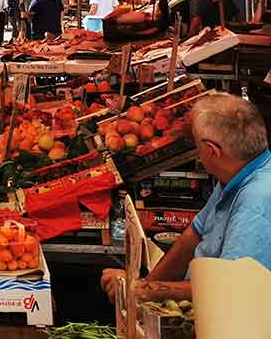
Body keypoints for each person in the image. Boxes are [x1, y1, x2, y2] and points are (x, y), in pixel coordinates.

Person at [102, 94, 271, 303]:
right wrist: (144, 286)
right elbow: (193, 236)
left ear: (211, 150)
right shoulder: (235, 172)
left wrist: (145, 290)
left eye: (196, 145)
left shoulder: (257, 202)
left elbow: (230, 289)